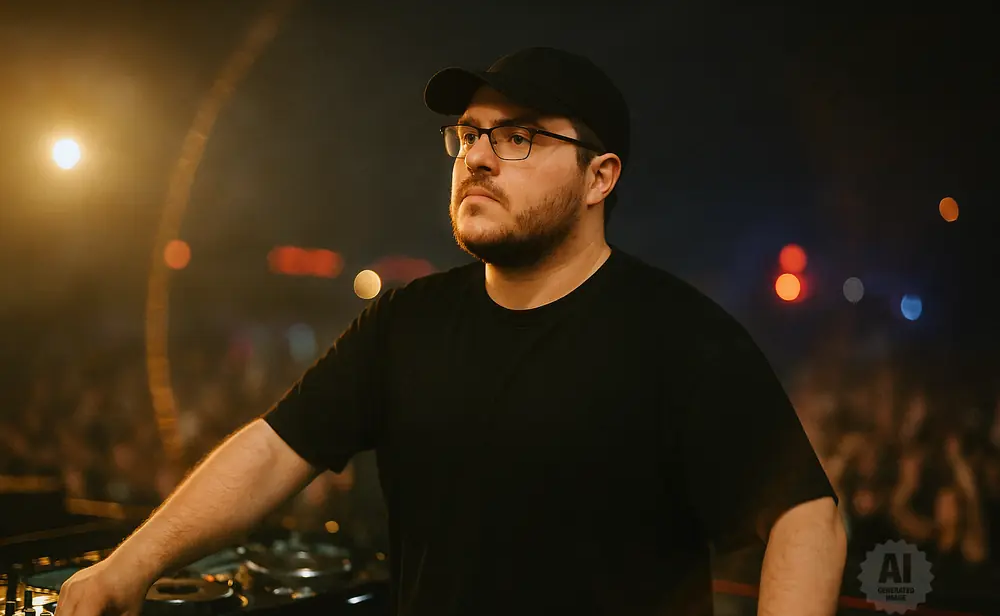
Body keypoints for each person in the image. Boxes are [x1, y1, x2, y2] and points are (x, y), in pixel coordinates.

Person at [55, 47, 846, 616]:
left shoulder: (677, 333)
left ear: (600, 177)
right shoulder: (406, 319)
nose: (478, 158)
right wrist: (128, 569)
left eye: (520, 136)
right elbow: (272, 450)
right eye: (468, 135)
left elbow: (805, 516)